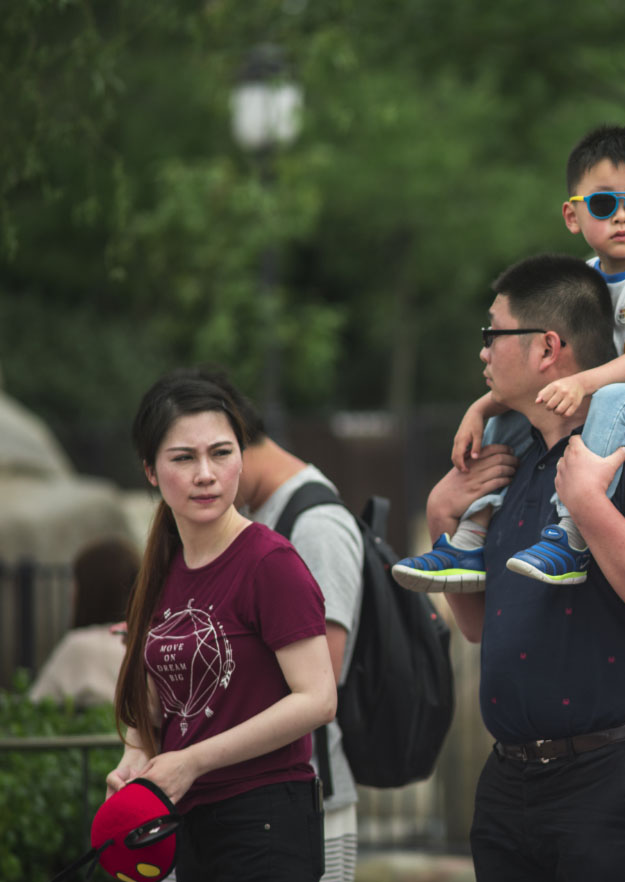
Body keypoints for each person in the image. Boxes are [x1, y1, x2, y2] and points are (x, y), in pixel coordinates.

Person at [423, 253, 625, 881]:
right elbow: (478, 626)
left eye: (492, 335)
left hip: (619, 782)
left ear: (547, 347)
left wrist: (585, 504)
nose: (483, 353)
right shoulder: (516, 461)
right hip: (509, 782)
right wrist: (442, 516)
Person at [393, 123, 625, 588]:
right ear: (573, 216)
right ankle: (471, 538)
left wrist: (584, 384)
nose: (623, 217)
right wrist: (481, 406)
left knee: (613, 400)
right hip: (621, 389)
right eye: (606, 204)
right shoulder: (583, 278)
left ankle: (571, 534)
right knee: (518, 409)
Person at [109, 372, 336, 882]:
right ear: (150, 470)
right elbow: (154, 697)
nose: (205, 474)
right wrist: (136, 757)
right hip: (186, 821)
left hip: (266, 821)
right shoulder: (162, 569)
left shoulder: (269, 562)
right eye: (183, 458)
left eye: (221, 452)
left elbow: (318, 698)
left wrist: (191, 761)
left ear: (242, 457)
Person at [200, 367, 364, 882]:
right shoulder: (262, 514)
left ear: (237, 443)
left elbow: (324, 674)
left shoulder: (314, 523)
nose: (205, 477)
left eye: (215, 454)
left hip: (311, 800)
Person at [30, 537, 139, 707]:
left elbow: (34, 707)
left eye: (75, 583)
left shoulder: (79, 647)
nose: (70, 594)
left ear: (90, 590)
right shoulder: (152, 641)